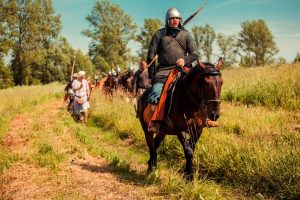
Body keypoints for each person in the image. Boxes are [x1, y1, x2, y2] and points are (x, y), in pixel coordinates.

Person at [147, 7, 198, 133]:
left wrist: (184, 60)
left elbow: (195, 54)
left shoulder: (186, 34)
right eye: (172, 18)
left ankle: (205, 117)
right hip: (164, 70)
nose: (175, 20)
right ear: (167, 20)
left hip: (183, 69)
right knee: (155, 93)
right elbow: (150, 56)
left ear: (180, 20)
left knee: (199, 88)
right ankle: (154, 121)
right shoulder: (159, 34)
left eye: (177, 18)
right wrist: (152, 76)